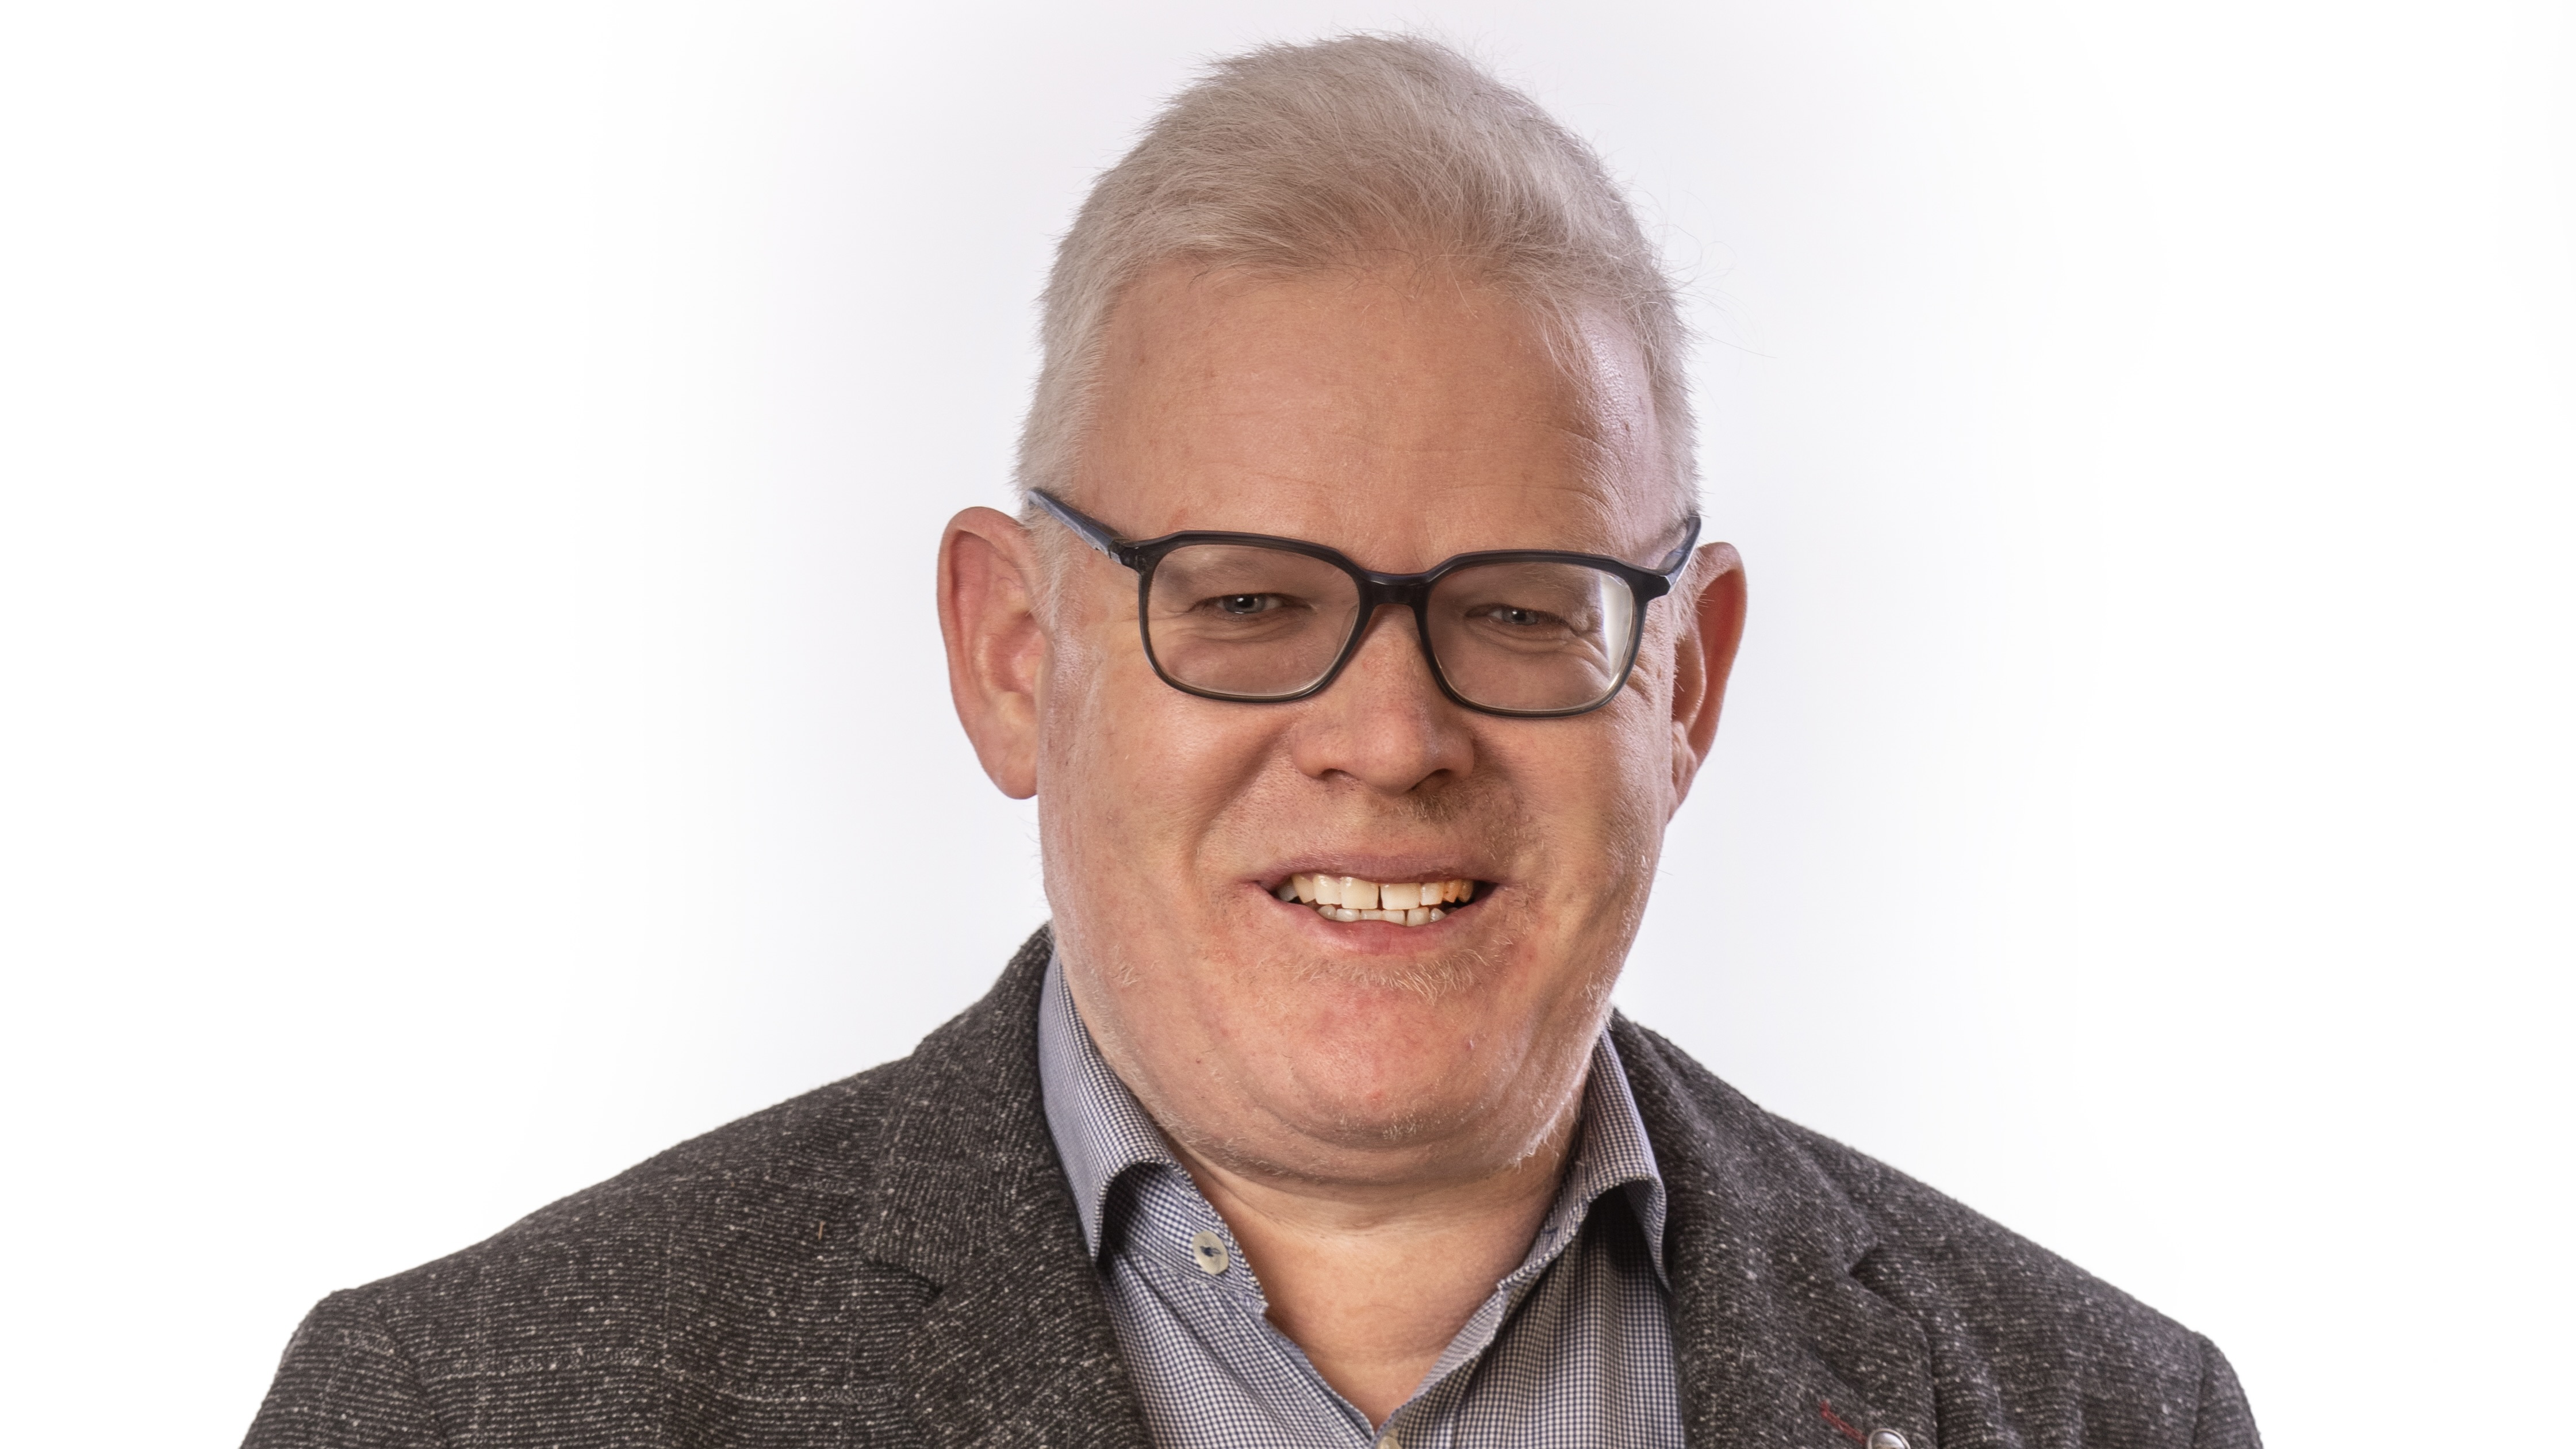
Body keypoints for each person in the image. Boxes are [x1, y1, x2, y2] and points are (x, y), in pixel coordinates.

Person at [245, 34, 2259, 1449]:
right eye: (1244, 604)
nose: (1390, 736)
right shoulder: (464, 1411)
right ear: (1011, 656)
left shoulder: (2104, 1415)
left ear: (1685, 683)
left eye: (1520, 608)